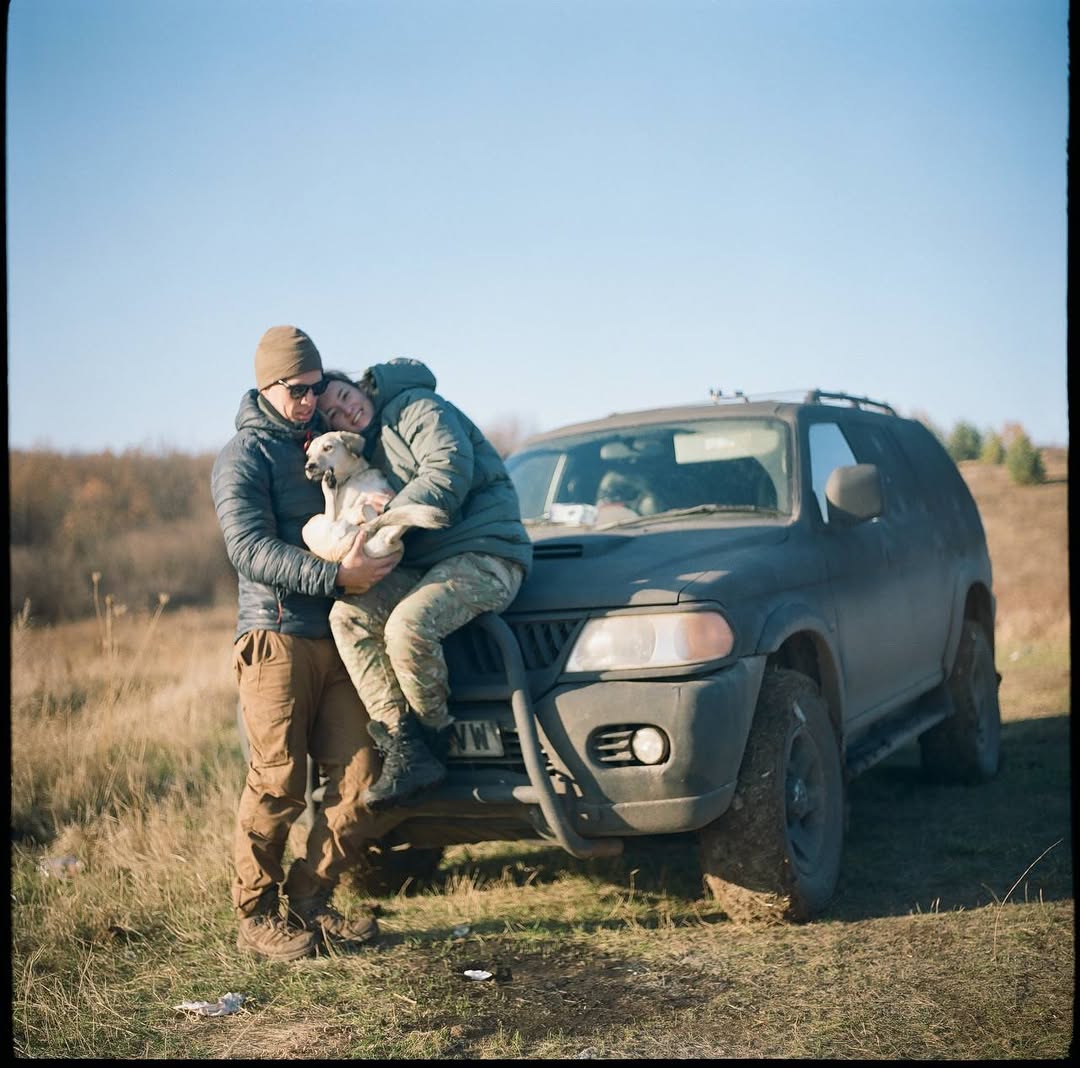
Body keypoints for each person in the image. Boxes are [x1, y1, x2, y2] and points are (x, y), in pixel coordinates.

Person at [211, 325, 402, 962]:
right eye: (296, 390)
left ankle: (311, 902)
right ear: (267, 385)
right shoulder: (244, 456)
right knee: (278, 781)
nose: (308, 400)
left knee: (361, 777)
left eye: (316, 388)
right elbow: (249, 549)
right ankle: (257, 915)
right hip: (276, 636)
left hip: (341, 636)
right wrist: (334, 576)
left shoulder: (327, 443)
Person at [315, 359, 533, 810]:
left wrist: (385, 513)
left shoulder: (416, 407)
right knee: (348, 616)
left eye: (344, 397)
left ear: (361, 388)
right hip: (424, 564)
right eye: (333, 415)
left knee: (407, 626)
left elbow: (447, 470)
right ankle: (402, 741)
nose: (345, 411)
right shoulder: (361, 458)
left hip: (485, 552)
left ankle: (433, 745)